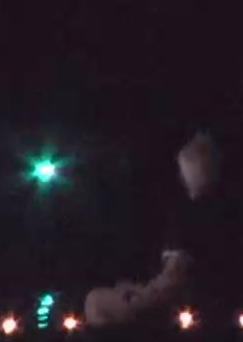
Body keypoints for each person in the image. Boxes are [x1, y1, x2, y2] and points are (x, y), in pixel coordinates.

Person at [84, 130, 223, 326]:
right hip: (193, 299)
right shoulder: (221, 209)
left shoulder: (188, 215)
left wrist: (138, 294)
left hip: (176, 306)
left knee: (95, 300)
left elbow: (173, 284)